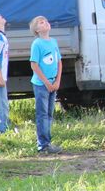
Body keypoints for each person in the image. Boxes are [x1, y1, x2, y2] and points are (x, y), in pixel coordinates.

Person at [30, 15, 63, 154]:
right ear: (36, 30)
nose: (46, 23)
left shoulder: (53, 42)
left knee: (49, 113)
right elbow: (34, 65)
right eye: (41, 23)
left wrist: (57, 81)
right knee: (42, 114)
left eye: (46, 21)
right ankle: (42, 144)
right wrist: (46, 82)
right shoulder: (37, 44)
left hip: (52, 83)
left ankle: (47, 142)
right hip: (41, 84)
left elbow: (59, 62)